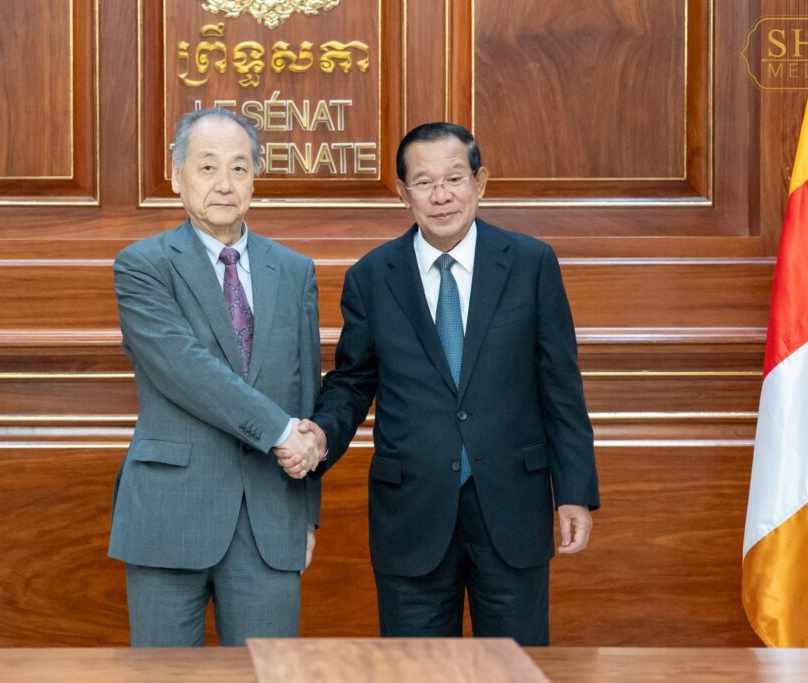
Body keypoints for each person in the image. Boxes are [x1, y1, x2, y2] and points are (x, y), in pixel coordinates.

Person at [296, 122, 599, 645]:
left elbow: (561, 388)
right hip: (411, 513)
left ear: (480, 182)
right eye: (424, 182)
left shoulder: (530, 264)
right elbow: (352, 381)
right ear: (403, 193)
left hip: (512, 505)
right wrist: (321, 435)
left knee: (514, 670)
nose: (441, 196)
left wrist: (574, 492)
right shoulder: (371, 276)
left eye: (454, 179)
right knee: (415, 672)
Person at [108, 107, 322, 647]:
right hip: (169, 513)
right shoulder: (142, 265)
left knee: (269, 676)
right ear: (176, 175)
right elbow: (184, 368)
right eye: (207, 167)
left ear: (255, 178)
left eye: (239, 168)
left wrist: (306, 516)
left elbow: (306, 393)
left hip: (271, 518)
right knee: (164, 678)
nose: (225, 184)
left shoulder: (294, 270)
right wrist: (281, 432)